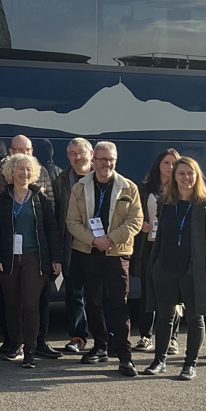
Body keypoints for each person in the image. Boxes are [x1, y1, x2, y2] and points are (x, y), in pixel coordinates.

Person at [65, 140, 143, 378]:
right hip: (88, 251)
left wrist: (110, 239)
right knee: (93, 301)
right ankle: (99, 346)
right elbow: (72, 222)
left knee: (119, 304)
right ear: (94, 160)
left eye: (110, 160)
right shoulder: (80, 187)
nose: (106, 164)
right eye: (102, 159)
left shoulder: (128, 187)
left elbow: (136, 221)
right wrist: (93, 240)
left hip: (116, 253)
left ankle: (124, 356)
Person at [141, 156, 206, 381]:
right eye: (181, 174)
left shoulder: (205, 205)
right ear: (174, 177)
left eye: (190, 173)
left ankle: (189, 364)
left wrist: (202, 261)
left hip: (192, 270)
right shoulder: (165, 203)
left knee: (195, 318)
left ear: (197, 176)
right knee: (165, 316)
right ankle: (159, 361)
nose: (186, 178)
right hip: (165, 267)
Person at [0, 153, 63, 368]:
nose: (25, 173)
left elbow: (52, 230)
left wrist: (56, 258)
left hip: (34, 258)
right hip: (8, 259)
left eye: (29, 169)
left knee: (30, 305)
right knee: (11, 304)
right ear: (11, 172)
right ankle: (15, 344)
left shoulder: (41, 200)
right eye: (20, 168)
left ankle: (30, 349)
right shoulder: (1, 201)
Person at [130, 149, 180, 353]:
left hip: (172, 247)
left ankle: (172, 338)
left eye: (174, 163)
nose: (170, 167)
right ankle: (145, 336)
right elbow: (133, 213)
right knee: (147, 291)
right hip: (148, 245)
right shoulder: (144, 189)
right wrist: (140, 224)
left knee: (172, 293)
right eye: (166, 162)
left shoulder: (181, 189)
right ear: (159, 164)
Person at [53, 137, 94, 354]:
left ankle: (106, 338)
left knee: (100, 295)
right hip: (71, 246)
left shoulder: (104, 178)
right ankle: (78, 336)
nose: (77, 157)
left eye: (81, 152)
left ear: (91, 154)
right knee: (74, 295)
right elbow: (56, 215)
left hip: (98, 246)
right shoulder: (61, 180)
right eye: (72, 154)